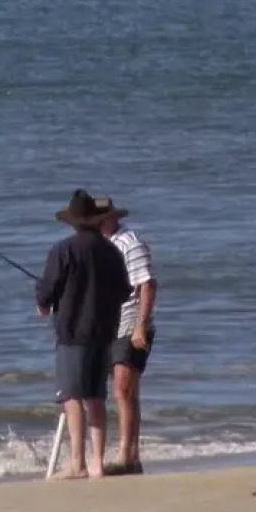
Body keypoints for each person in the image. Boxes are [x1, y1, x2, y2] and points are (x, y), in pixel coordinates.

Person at [35, 189, 132, 480]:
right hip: (105, 333)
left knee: (72, 396)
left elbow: (47, 290)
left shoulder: (63, 250)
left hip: (73, 332)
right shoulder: (111, 250)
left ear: (72, 222)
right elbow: (125, 291)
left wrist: (43, 304)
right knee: (96, 397)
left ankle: (77, 462)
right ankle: (97, 463)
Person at [98, 197, 157, 476]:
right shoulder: (103, 245)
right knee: (124, 391)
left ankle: (126, 455)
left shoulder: (129, 243)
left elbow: (147, 284)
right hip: (109, 325)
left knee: (123, 388)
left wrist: (141, 325)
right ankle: (131, 455)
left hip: (131, 324)